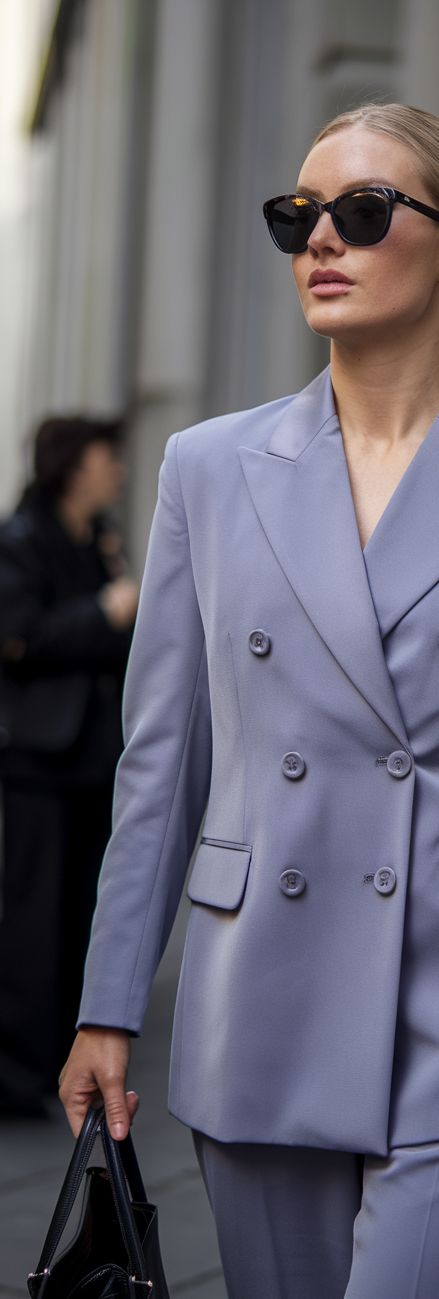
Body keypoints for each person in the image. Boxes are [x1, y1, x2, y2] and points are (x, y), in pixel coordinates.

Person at [59, 105, 439, 1297]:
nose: (321, 244)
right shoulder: (207, 467)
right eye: (297, 217)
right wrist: (107, 1006)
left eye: (360, 212)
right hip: (265, 993)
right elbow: (162, 764)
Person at [0, 417, 138, 1116]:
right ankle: (18, 1074)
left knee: (80, 917)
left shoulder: (100, 538)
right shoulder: (22, 539)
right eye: (105, 456)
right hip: (37, 760)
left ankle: (58, 1057)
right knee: (33, 921)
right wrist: (103, 611)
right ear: (73, 466)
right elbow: (19, 638)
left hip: (91, 758)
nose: (116, 468)